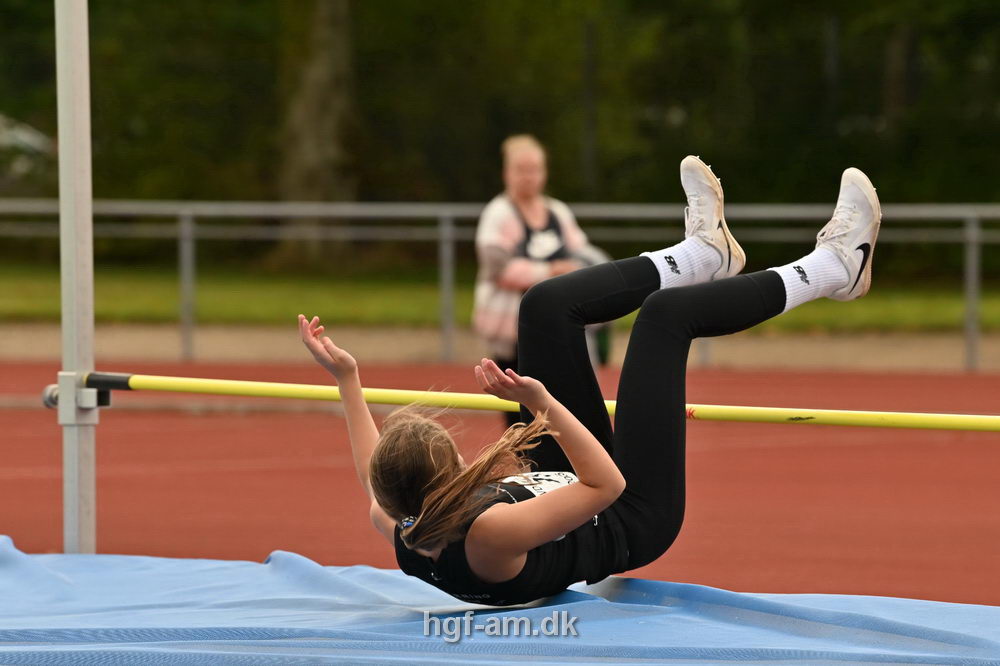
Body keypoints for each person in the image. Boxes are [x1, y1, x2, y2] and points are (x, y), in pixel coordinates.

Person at [299, 156, 881, 607]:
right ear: (445, 475)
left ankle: (702, 255)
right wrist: (541, 402)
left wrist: (346, 378)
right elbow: (604, 486)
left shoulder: (403, 520)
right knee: (663, 320)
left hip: (557, 481)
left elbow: (370, 471)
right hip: (628, 509)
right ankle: (834, 269)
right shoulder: (485, 535)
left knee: (544, 307)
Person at [473, 134, 610, 427]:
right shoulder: (498, 215)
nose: (529, 177)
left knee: (562, 398)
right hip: (513, 332)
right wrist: (548, 272)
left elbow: (582, 257)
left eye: (535, 169)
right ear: (506, 173)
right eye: (521, 169)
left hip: (556, 326)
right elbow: (498, 268)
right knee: (518, 411)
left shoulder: (558, 212)